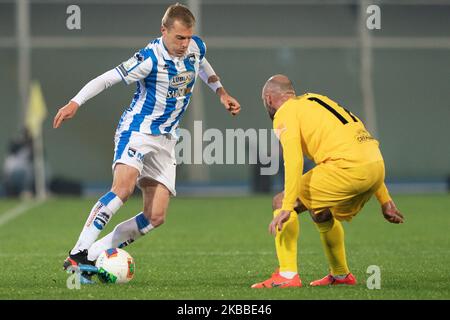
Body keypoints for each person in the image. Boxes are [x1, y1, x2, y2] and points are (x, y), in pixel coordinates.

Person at [53, 3, 240, 282]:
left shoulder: (195, 47)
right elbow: (108, 78)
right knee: (123, 189)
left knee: (155, 216)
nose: (184, 44)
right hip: (138, 132)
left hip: (166, 141)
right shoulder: (149, 58)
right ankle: (77, 254)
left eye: (188, 37)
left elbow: (203, 65)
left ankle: (94, 255)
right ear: (163, 31)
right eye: (179, 38)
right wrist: (75, 102)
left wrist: (221, 93)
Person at [251, 75, 404, 288]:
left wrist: (287, 206)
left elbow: (293, 160)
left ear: (268, 99)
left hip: (348, 168)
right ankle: (341, 275)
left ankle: (286, 276)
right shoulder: (316, 100)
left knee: (280, 201)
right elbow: (359, 147)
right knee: (319, 209)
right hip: (376, 165)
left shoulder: (284, 113)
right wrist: (385, 199)